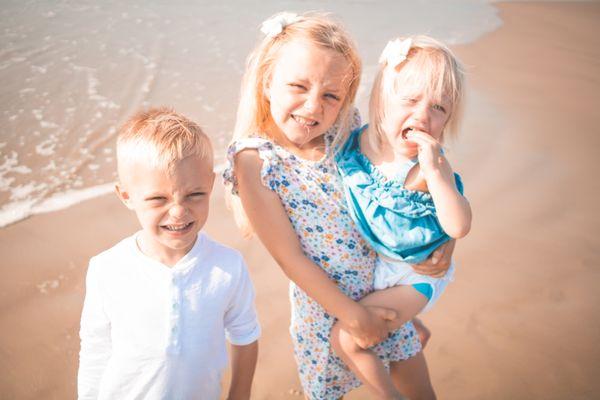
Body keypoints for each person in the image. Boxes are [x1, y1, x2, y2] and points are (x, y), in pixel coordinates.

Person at [223, 12, 453, 399]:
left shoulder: (345, 128)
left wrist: (446, 242)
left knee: (420, 389)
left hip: (383, 284)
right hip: (328, 306)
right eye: (298, 86)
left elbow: (409, 190)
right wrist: (353, 315)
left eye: (331, 95)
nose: (313, 108)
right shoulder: (256, 160)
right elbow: (290, 259)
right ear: (267, 81)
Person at [77, 108, 260, 400]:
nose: (178, 211)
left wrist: (239, 394)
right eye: (157, 198)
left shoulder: (227, 267)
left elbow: (245, 334)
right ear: (126, 196)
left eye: (195, 195)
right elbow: (96, 350)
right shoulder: (106, 269)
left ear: (210, 185)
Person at [331, 36, 471, 399]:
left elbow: (458, 224)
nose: (423, 115)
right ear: (380, 100)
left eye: (438, 107)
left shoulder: (429, 168)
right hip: (378, 266)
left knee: (347, 337)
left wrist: (437, 174)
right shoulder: (355, 144)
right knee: (388, 332)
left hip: (415, 276)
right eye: (409, 100)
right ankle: (416, 330)